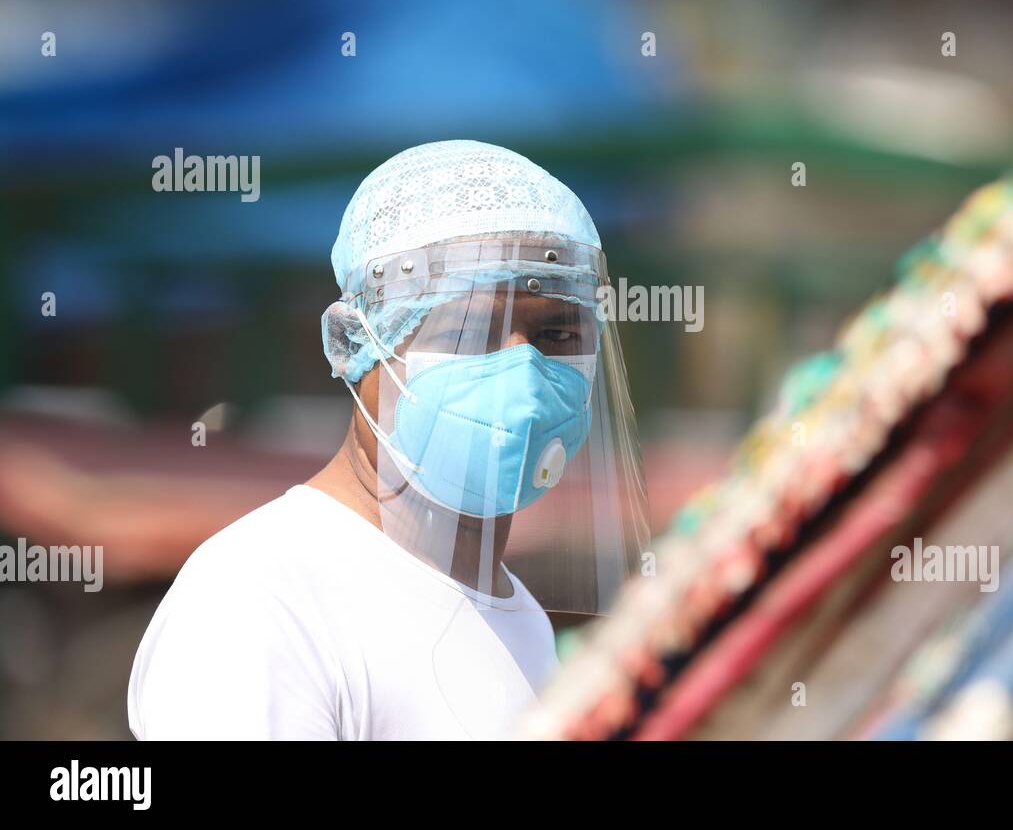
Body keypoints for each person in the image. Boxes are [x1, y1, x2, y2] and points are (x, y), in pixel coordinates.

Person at [128, 140, 649, 739]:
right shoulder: (259, 599)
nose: (524, 372)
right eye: (470, 331)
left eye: (557, 332)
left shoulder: (520, 620)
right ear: (356, 344)